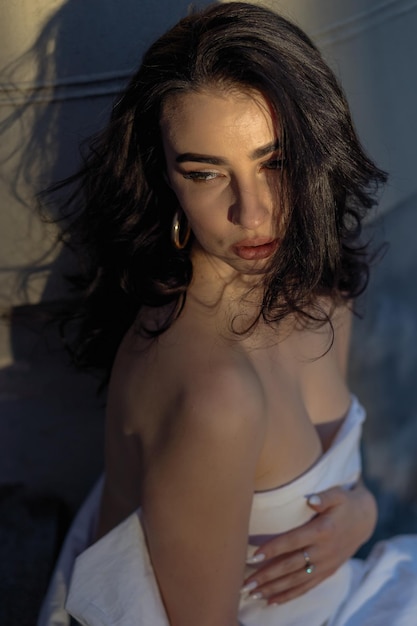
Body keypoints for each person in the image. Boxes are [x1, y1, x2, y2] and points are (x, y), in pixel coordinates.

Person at [37, 3, 417, 626]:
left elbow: (337, 489)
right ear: (167, 179)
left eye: (273, 162)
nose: (252, 212)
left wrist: (362, 516)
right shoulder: (216, 396)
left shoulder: (321, 299)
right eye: (207, 172)